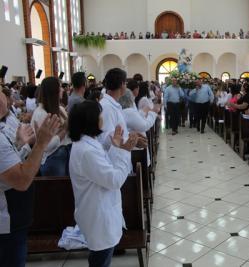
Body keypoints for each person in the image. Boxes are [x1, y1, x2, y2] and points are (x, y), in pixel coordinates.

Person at [69, 101, 137, 267]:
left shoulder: (88, 144)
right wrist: (124, 151)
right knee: (100, 260)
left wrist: (116, 145)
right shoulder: (87, 151)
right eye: (99, 116)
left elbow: (104, 168)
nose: (102, 118)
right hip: (98, 216)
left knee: (101, 257)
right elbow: (114, 180)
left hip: (100, 211)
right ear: (91, 120)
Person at [0, 89, 60, 267]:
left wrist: (21, 145)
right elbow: (22, 180)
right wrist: (41, 142)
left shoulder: (4, 129)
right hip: (8, 222)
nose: (7, 101)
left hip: (15, 219)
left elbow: (10, 163)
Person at [98, 68, 145, 153]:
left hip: (121, 158)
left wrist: (131, 137)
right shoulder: (107, 107)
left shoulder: (114, 105)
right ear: (122, 84)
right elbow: (107, 139)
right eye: (125, 83)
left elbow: (117, 133)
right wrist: (131, 141)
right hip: (114, 160)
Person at [31, 77, 70, 176]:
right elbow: (45, 146)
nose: (62, 90)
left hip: (63, 153)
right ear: (53, 91)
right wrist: (64, 130)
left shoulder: (59, 108)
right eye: (60, 87)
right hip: (51, 159)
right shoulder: (41, 114)